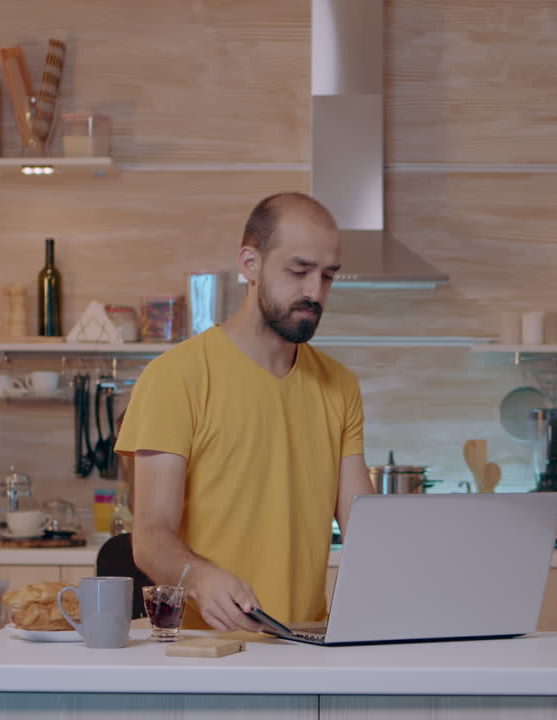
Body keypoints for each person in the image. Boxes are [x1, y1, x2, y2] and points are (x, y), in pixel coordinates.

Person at [113, 192, 373, 633]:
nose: (315, 292)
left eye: (328, 275)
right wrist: (199, 577)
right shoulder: (175, 378)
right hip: (205, 650)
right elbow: (150, 538)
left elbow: (366, 533)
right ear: (250, 264)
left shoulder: (340, 386)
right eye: (299, 271)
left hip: (306, 643)